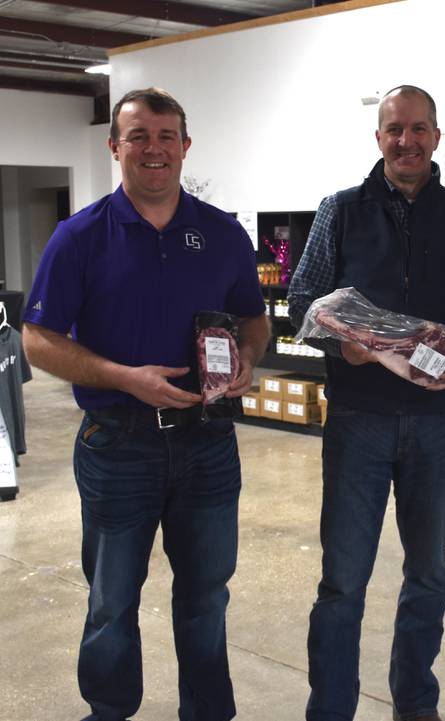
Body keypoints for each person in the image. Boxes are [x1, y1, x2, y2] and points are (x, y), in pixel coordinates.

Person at [22, 87, 270, 721]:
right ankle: (109, 711)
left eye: (166, 137)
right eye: (138, 137)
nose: (153, 150)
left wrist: (247, 356)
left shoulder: (221, 233)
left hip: (207, 442)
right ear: (115, 148)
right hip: (116, 441)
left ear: (185, 147)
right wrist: (123, 377)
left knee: (207, 596)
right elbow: (38, 340)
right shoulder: (78, 237)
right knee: (111, 599)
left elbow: (253, 318)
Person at [288, 84, 445, 721]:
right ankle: (331, 710)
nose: (405, 141)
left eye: (417, 129)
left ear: (436, 136)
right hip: (359, 418)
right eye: (393, 130)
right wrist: (346, 348)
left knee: (429, 575)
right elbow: (304, 303)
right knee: (343, 581)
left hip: (438, 424)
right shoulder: (341, 210)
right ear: (377, 138)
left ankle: (415, 704)